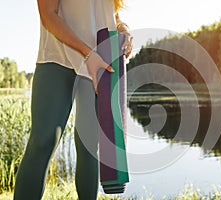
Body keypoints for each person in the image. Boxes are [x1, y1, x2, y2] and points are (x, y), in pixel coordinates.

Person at [13, 0, 133, 199]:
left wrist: (125, 30)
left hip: (101, 62)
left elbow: (111, 16)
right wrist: (87, 53)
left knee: (89, 147)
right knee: (42, 141)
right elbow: (48, 15)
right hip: (56, 57)